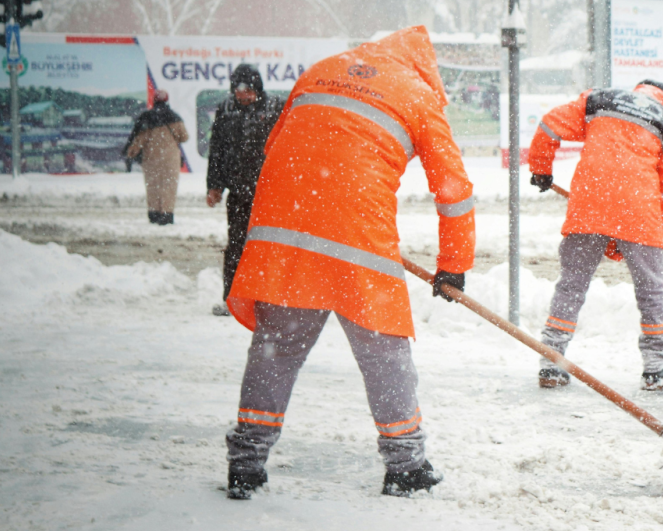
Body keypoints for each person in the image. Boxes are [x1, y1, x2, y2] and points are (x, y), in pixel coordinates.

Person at [221, 27, 475, 499]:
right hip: (356, 230)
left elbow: (275, 148)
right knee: (385, 352)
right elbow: (455, 191)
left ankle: (246, 464)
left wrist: (314, 212)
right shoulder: (417, 94)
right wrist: (454, 264)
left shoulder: (321, 71)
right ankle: (405, 465)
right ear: (424, 66)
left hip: (286, 222)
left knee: (275, 351)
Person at [527, 80, 663, 392]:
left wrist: (541, 168)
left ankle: (550, 361)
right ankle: (655, 370)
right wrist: (659, 234)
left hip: (590, 203)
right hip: (639, 212)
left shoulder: (600, 100)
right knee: (652, 290)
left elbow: (550, 125)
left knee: (571, 284)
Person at [205, 65, 285, 317]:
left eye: (249, 90)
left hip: (269, 191)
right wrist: (214, 185)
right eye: (239, 90)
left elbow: (289, 146)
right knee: (237, 246)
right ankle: (232, 299)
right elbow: (216, 149)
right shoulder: (226, 109)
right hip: (238, 191)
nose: (243, 95)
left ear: (258, 89)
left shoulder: (275, 108)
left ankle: (271, 300)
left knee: (270, 246)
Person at [124, 89, 188, 225]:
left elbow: (138, 140)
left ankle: (154, 214)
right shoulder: (175, 118)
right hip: (171, 159)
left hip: (151, 159)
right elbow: (184, 137)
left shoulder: (147, 118)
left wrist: (130, 153)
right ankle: (167, 214)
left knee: (153, 186)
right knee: (169, 186)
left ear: (154, 101)